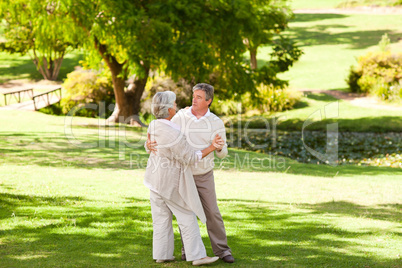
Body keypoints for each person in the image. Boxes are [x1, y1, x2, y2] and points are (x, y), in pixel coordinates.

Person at [146, 83, 235, 263]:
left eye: (199, 97)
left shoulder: (216, 122)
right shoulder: (179, 116)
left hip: (203, 174)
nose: (194, 99)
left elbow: (223, 152)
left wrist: (218, 148)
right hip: (181, 174)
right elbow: (161, 136)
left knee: (212, 213)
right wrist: (147, 145)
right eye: (193, 96)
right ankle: (188, 251)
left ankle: (222, 250)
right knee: (185, 213)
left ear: (208, 101)